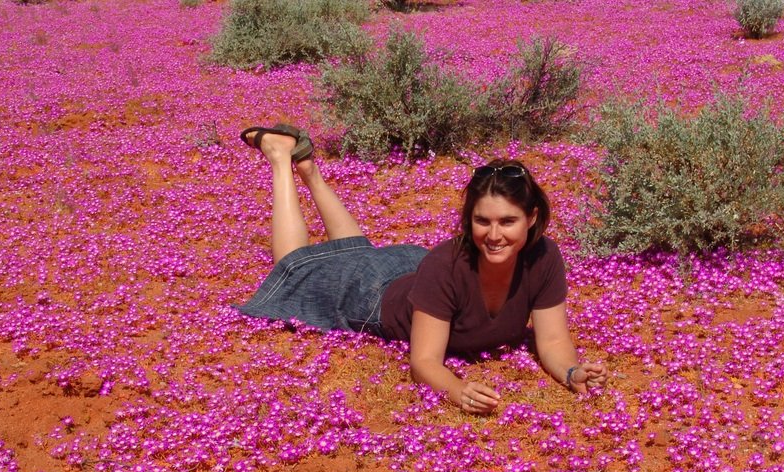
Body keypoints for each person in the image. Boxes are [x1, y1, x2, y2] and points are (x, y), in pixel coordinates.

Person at [237, 124, 608, 414]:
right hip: (371, 295)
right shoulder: (447, 265)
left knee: (357, 253)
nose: (494, 235)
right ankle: (280, 155)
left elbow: (554, 341)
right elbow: (425, 362)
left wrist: (572, 372)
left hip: (410, 266)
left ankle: (310, 171)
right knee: (295, 265)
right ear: (469, 220)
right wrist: (457, 389)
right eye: (482, 221)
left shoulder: (543, 257)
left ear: (532, 218)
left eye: (508, 222)